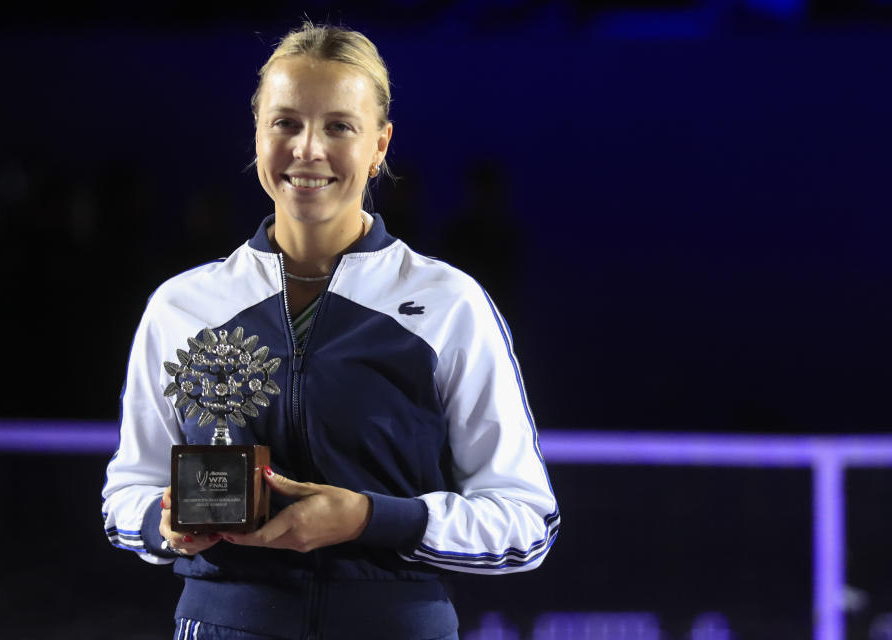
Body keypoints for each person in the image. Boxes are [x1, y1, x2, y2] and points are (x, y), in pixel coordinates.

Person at [101, 22, 559, 640]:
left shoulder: (448, 304)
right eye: (285, 122)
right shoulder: (183, 306)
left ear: (380, 146)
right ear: (258, 134)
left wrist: (370, 518)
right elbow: (128, 491)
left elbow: (525, 522)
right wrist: (162, 523)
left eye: (339, 126)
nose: (307, 149)